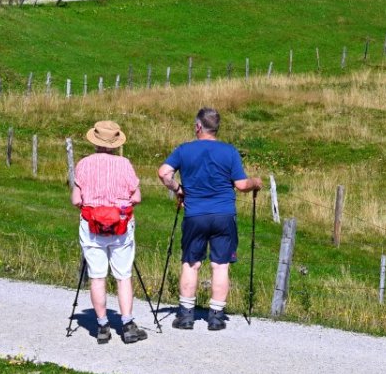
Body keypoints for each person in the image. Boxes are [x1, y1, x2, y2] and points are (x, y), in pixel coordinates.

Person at [158, 107, 261, 331]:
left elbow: (163, 173)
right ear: (216, 128)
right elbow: (242, 185)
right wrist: (256, 182)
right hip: (223, 214)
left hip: (195, 214)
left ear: (198, 127)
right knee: (220, 265)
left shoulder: (184, 150)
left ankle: (186, 315)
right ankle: (215, 315)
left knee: (191, 262)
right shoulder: (229, 151)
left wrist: (178, 189)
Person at [70, 119, 147, 345]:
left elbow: (76, 199)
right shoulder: (124, 164)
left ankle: (102, 326)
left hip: (92, 225)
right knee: (123, 276)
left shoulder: (83, 164)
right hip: (120, 226)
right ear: (115, 142)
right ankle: (128, 324)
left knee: (97, 275)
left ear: (95, 140)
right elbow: (137, 197)